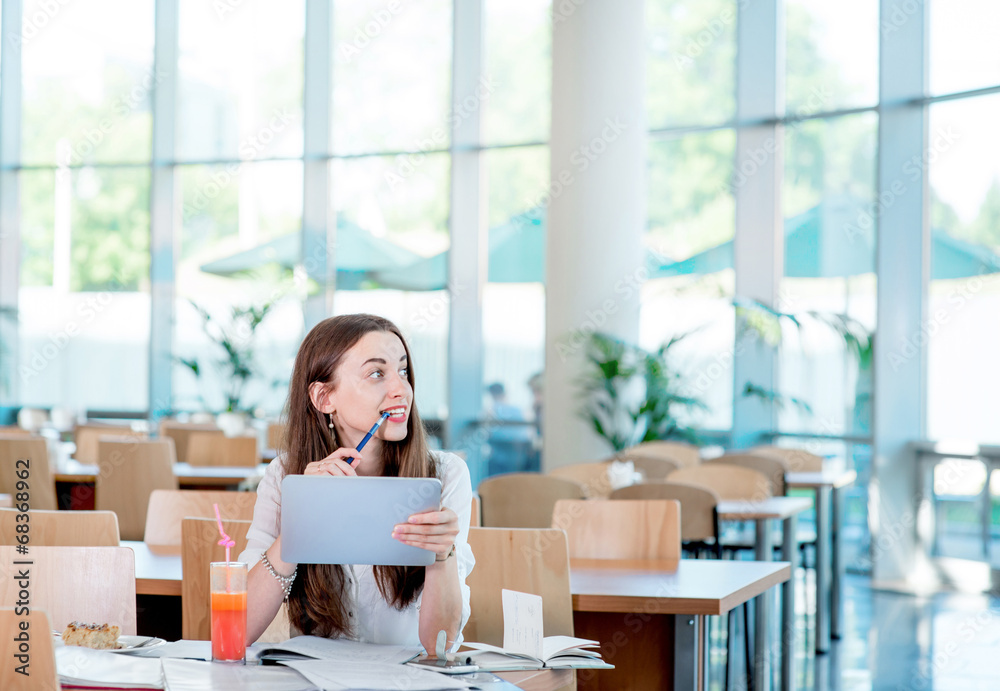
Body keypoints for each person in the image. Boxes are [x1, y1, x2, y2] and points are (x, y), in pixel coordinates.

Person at [240, 314, 474, 654]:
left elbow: (441, 646)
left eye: (403, 371)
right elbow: (238, 629)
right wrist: (300, 521)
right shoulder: (284, 476)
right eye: (377, 373)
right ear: (324, 398)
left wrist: (443, 554)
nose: (401, 390)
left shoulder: (446, 475)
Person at [485, 382, 533, 476]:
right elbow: (528, 432)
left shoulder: (492, 410)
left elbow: (487, 432)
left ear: (492, 394)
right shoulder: (518, 410)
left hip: (500, 452)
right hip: (517, 453)